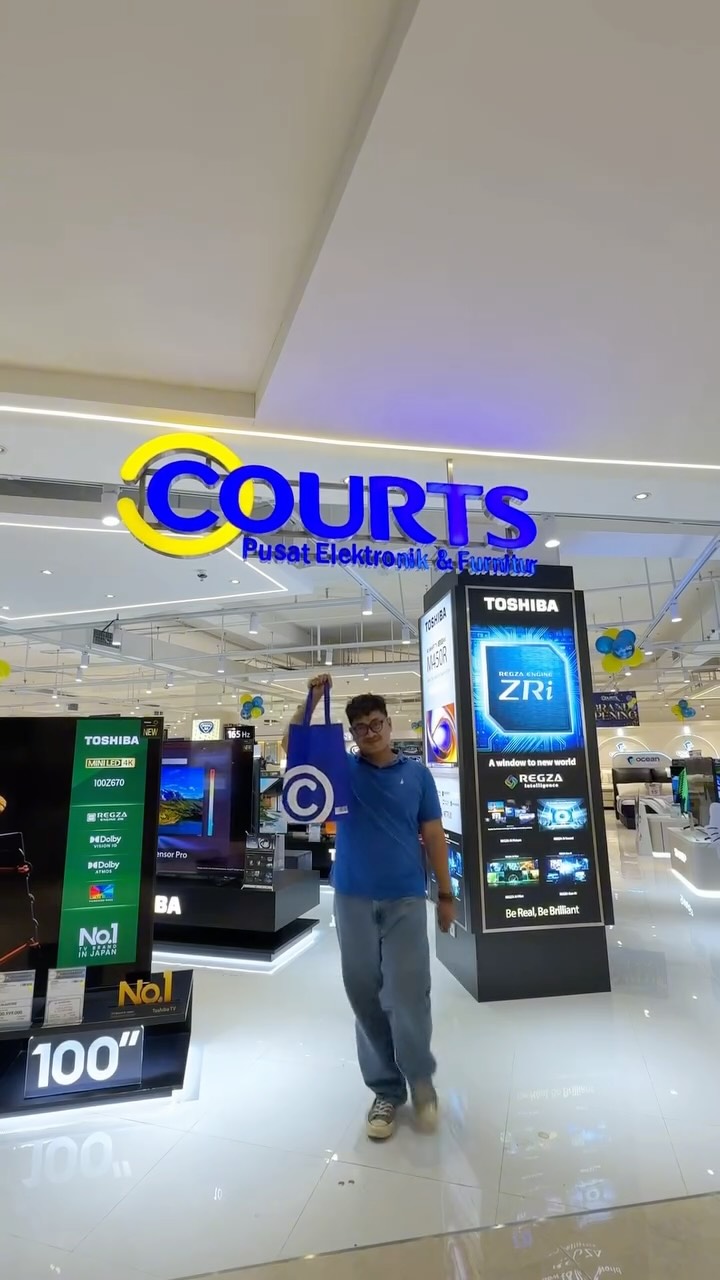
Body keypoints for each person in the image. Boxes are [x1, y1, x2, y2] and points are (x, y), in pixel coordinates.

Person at [285, 674, 454, 1140]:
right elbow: (294, 747)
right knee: (364, 995)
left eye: (376, 723)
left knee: (408, 993)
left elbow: (433, 834)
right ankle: (385, 1089)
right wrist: (311, 701)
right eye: (360, 727)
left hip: (405, 898)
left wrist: (445, 894)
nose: (370, 732)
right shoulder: (342, 770)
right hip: (352, 897)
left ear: (389, 723)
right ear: (353, 733)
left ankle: (420, 1080)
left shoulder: (417, 775)